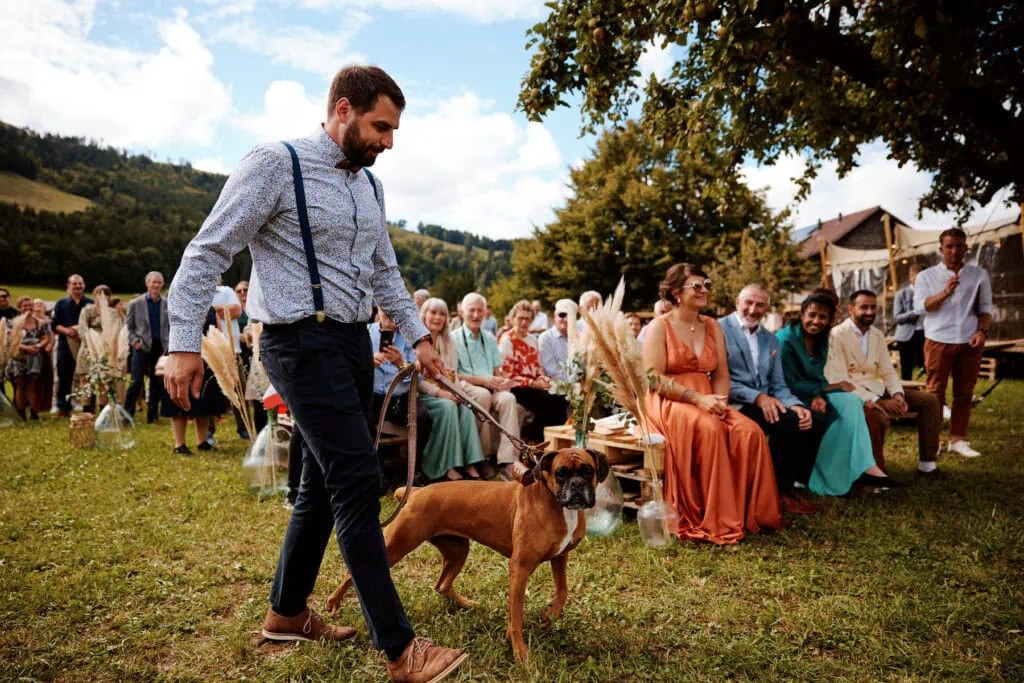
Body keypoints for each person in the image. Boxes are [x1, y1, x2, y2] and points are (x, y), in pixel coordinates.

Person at [163, 65, 465, 680]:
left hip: (353, 342)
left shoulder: (371, 189)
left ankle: (287, 614)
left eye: (395, 130)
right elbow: (209, 249)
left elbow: (385, 271)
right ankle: (401, 649)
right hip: (297, 342)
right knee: (357, 478)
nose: (389, 141)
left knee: (320, 486)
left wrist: (418, 336)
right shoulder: (277, 163)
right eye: (382, 126)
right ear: (344, 110)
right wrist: (183, 340)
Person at [643, 264, 784, 545]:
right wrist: (697, 399)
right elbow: (653, 379)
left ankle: (747, 512)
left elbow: (721, 374)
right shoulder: (659, 326)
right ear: (676, 293)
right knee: (709, 429)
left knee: (750, 432)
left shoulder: (712, 326)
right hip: (669, 399)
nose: (704, 290)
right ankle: (712, 514)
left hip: (709, 397)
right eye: (696, 286)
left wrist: (719, 400)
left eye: (706, 284)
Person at [720, 284, 826, 513]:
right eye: (748, 302)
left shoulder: (771, 339)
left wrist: (796, 405)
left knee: (814, 419)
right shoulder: (718, 330)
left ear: (766, 308)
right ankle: (778, 493)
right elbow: (719, 379)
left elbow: (778, 384)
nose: (752, 308)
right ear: (738, 303)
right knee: (786, 422)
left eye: (759, 304)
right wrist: (758, 397)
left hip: (766, 401)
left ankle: (794, 485)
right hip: (734, 402)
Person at [776, 293, 896, 495]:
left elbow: (820, 374)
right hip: (789, 394)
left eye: (822, 317)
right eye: (812, 315)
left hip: (813, 391)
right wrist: (819, 393)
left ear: (829, 320)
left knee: (850, 401)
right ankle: (818, 476)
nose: (816, 321)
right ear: (802, 313)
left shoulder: (821, 339)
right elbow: (788, 381)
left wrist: (820, 394)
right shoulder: (787, 340)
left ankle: (866, 466)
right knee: (826, 415)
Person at [826, 289, 943, 477]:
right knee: (878, 419)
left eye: (873, 307)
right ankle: (872, 471)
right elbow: (840, 377)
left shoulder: (877, 334)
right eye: (864, 307)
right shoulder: (836, 335)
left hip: (878, 388)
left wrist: (897, 394)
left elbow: (887, 370)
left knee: (930, 401)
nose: (870, 312)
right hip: (853, 394)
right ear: (850, 309)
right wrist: (876, 401)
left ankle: (927, 465)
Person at [914, 228, 993, 458]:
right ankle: (933, 441)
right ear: (941, 249)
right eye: (949, 246)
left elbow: (986, 308)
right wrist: (945, 292)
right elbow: (921, 307)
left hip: (969, 340)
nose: (954, 250)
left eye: (959, 245)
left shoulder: (979, 275)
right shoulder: (926, 276)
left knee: (964, 393)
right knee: (934, 394)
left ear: (966, 247)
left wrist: (981, 331)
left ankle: (958, 440)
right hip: (938, 339)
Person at [452, 292, 524, 481]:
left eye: (480, 311)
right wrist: (482, 380)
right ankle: (481, 457)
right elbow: (453, 374)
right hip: (467, 386)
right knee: (482, 394)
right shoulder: (453, 338)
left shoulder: (490, 338)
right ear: (462, 312)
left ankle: (508, 460)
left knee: (509, 398)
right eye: (472, 310)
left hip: (490, 386)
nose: (476, 315)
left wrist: (503, 382)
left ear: (485, 313)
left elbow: (496, 370)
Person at [417, 298, 485, 481]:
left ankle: (470, 463)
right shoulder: (417, 342)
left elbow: (452, 374)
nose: (437, 317)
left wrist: (455, 393)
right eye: (433, 312)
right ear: (424, 315)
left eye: (442, 314)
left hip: (445, 391)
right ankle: (445, 467)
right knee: (447, 408)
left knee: (465, 405)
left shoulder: (448, 341)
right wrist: (440, 393)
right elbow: (417, 380)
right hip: (423, 394)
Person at [367, 308, 433, 465]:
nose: (390, 315)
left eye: (393, 310)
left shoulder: (411, 338)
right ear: (378, 308)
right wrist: (368, 364)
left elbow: (419, 376)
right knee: (361, 420)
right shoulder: (367, 332)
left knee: (424, 419)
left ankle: (413, 468)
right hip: (372, 397)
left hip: (400, 399)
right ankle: (376, 469)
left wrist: (400, 364)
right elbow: (352, 368)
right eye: (385, 310)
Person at [498, 300, 568, 444]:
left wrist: (545, 380)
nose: (524, 322)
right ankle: (534, 442)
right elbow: (507, 375)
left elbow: (537, 369)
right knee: (547, 400)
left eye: (527, 319)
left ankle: (554, 442)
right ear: (512, 319)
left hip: (532, 386)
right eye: (520, 318)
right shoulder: (507, 340)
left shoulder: (532, 340)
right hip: (516, 387)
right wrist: (533, 383)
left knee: (560, 396)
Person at [163, 307, 226, 454]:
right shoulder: (180, 304)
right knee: (179, 401)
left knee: (204, 401)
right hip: (182, 354)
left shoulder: (211, 309)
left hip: (207, 357)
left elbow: (219, 332)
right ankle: (180, 444)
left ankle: (202, 440)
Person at [124, 272, 170, 423]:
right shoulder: (135, 304)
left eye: (159, 282)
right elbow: (128, 327)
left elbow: (171, 326)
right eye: (154, 282)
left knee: (157, 383)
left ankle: (153, 416)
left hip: (160, 348)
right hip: (141, 347)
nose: (156, 285)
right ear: (147, 283)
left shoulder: (167, 304)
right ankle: (127, 416)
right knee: (136, 382)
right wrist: (134, 342)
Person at [6, 296, 54, 420]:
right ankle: (21, 413)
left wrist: (38, 345)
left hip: (35, 357)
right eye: (24, 306)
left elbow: (45, 338)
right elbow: (11, 340)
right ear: (19, 307)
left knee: (33, 386)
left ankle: (34, 412)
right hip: (19, 358)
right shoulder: (13, 322)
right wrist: (25, 348)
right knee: (20, 386)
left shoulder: (39, 322)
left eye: (30, 305)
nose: (28, 308)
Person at [51, 274, 93, 416]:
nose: (77, 286)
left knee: (88, 376)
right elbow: (55, 324)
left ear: (84, 285)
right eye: (74, 284)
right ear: (68, 286)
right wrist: (68, 331)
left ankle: (89, 406)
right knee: (64, 376)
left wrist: (78, 330)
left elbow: (94, 324)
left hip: (85, 345)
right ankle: (63, 407)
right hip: (65, 344)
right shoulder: (61, 304)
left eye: (80, 283)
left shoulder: (90, 304)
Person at [894, 264, 925, 381]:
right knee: (906, 370)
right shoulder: (901, 294)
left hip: (926, 334)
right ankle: (906, 394)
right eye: (919, 278)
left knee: (929, 365)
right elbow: (897, 317)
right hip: (906, 336)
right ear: (911, 277)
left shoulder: (931, 294)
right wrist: (916, 312)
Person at [538, 298, 576, 382]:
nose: (565, 319)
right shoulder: (545, 338)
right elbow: (550, 369)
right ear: (554, 316)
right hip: (558, 387)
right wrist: (572, 384)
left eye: (570, 316)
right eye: (562, 315)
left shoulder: (580, 337)